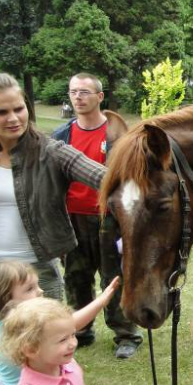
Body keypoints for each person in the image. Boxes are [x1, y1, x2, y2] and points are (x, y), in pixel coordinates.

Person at [0, 71, 106, 385]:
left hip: (37, 274)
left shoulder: (51, 151)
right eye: (0, 112)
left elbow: (104, 176)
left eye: (19, 108)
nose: (13, 118)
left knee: (45, 357)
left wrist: (144, 179)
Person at [52, 73, 141, 359]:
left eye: (85, 92)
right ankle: (80, 330)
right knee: (76, 277)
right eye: (73, 92)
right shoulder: (61, 136)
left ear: (100, 97)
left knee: (115, 278)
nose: (78, 97)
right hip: (72, 218)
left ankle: (126, 334)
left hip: (109, 219)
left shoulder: (118, 136)